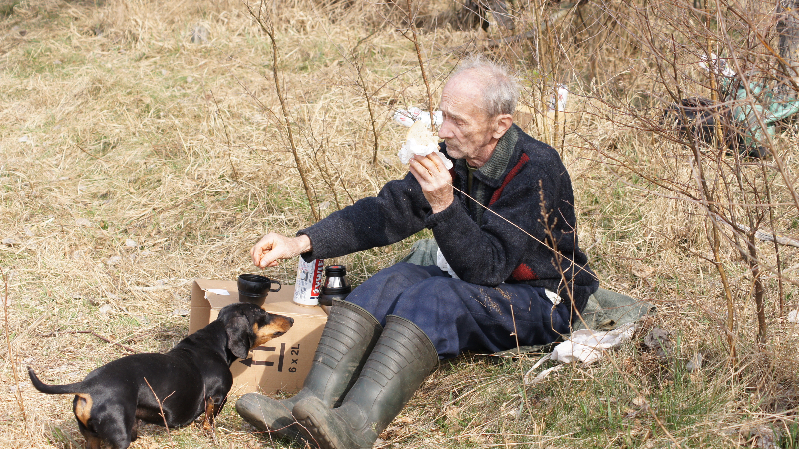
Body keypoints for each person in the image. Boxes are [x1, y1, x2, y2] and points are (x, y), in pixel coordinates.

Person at [236, 55, 599, 449]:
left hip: (544, 298)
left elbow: (489, 269)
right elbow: (386, 212)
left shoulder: (536, 169)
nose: (444, 130)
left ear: (500, 125)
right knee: (392, 280)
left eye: (458, 121)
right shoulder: (455, 155)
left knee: (434, 296)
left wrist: (443, 204)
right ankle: (304, 408)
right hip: (480, 279)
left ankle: (354, 427)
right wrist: (301, 242)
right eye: (443, 115)